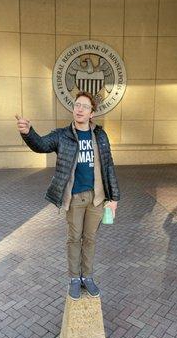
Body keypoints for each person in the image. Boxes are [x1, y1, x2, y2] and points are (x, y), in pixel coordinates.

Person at [16, 91, 120, 300]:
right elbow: (42, 145)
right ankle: (74, 278)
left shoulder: (100, 135)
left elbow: (108, 166)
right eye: (77, 105)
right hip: (74, 198)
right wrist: (28, 133)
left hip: (96, 198)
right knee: (74, 239)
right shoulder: (62, 135)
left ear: (92, 113)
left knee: (90, 239)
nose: (79, 109)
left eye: (84, 106)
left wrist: (114, 198)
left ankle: (87, 277)